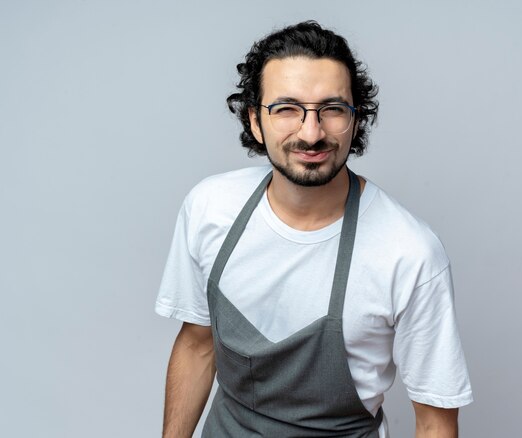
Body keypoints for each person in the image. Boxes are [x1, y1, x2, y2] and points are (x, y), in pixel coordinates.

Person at [156, 20, 472, 438]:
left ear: (356, 120)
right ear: (254, 120)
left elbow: (435, 423)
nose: (311, 132)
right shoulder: (210, 208)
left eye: (332, 109)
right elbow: (197, 345)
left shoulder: (409, 252)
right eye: (287, 108)